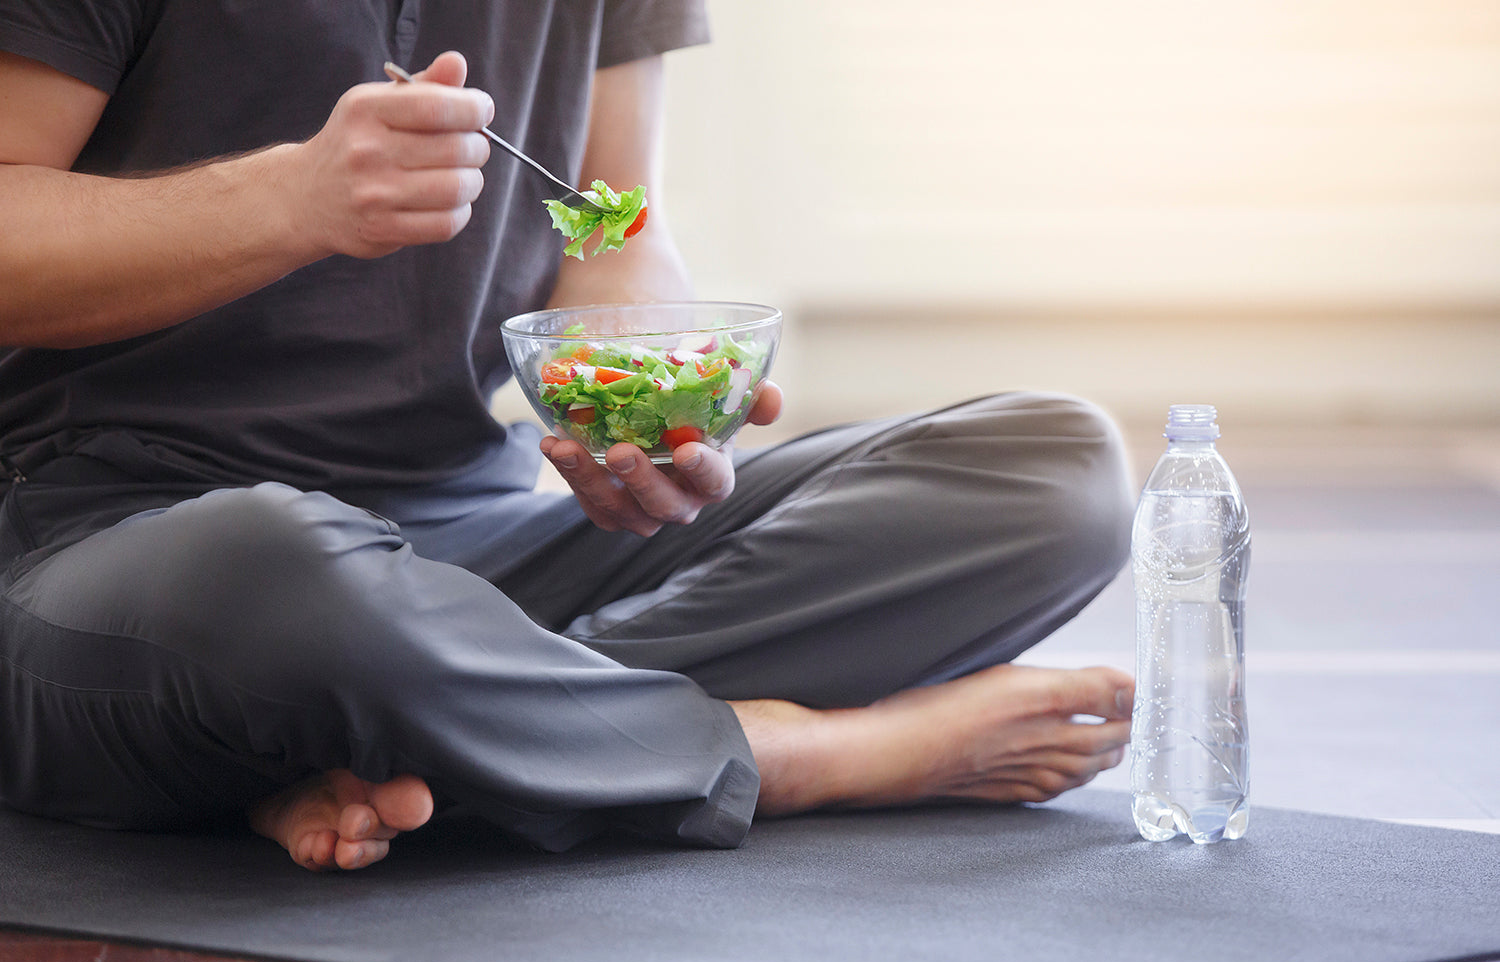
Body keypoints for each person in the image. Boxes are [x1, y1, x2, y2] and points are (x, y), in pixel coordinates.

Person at [0, 0, 1137, 872]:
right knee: (274, 576)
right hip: (122, 540)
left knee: (1050, 472)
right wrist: (288, 201)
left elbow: (614, 206)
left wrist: (632, 400)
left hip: (468, 535)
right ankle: (792, 756)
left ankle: (386, 737)